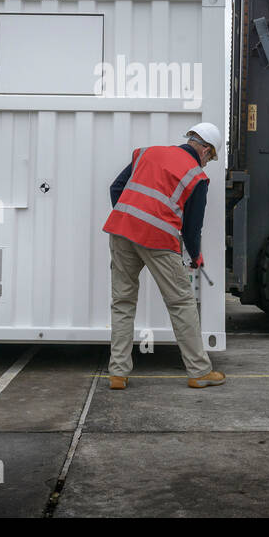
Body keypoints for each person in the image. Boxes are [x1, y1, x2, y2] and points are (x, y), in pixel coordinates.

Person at [102, 122, 226, 390]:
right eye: (211, 157)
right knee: (181, 304)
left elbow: (116, 188)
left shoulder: (147, 153)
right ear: (205, 150)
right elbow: (193, 229)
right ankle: (199, 371)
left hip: (121, 232)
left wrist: (130, 220)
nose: (207, 163)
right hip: (158, 239)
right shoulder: (197, 177)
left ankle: (118, 373)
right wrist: (196, 256)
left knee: (122, 302)